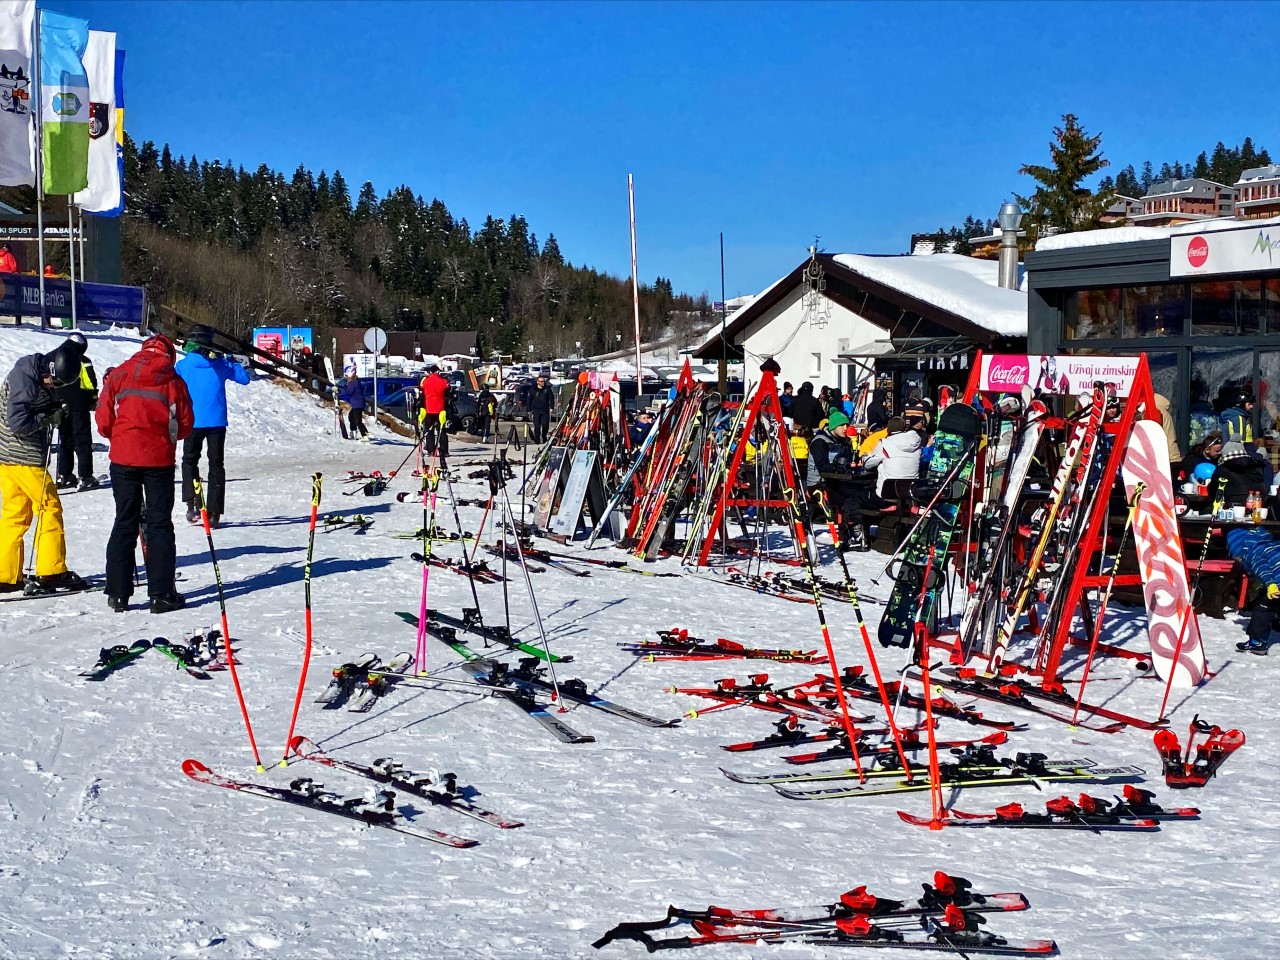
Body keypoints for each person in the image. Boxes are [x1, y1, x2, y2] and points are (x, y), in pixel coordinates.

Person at [96, 335, 193, 614]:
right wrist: (169, 436)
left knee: (124, 521)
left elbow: (103, 419)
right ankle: (161, 593)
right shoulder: (173, 380)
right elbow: (186, 423)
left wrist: (118, 436)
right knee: (159, 523)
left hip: (123, 459)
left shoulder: (119, 375)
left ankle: (117, 592)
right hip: (158, 459)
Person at [0, 343, 87, 593]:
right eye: (52, 381)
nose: (52, 385)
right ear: (47, 368)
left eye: (57, 384)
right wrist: (47, 419)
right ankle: (51, 570)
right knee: (49, 507)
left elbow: (31, 407)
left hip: (8, 457)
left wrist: (51, 409)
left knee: (15, 513)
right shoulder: (25, 380)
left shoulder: (32, 373)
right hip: (23, 457)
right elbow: (18, 422)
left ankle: (5, 574)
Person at [176, 330, 251, 526]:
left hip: (192, 421)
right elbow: (244, 378)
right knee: (216, 465)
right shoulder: (220, 364)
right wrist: (231, 360)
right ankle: (214, 511)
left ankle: (192, 504)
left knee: (189, 461)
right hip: (216, 422)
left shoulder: (183, 365)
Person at [54, 332, 98, 491]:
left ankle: (64, 474)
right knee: (82, 441)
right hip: (79, 405)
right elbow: (90, 383)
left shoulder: (56, 358)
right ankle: (85, 476)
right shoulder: (83, 361)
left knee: (65, 440)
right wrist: (93, 398)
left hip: (60, 405)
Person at [863, 416, 923, 498]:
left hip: (887, 495)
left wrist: (864, 457)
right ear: (904, 428)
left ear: (888, 430)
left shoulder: (885, 444)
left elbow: (867, 464)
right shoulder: (916, 443)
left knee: (853, 501)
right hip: (910, 495)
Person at [340, 370, 369, 441]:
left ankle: (365, 435)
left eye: (347, 376)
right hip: (357, 404)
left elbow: (348, 392)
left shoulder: (353, 383)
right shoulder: (355, 382)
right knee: (351, 417)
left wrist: (338, 392)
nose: (346, 378)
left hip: (358, 404)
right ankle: (354, 431)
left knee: (357, 421)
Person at [527, 374, 556, 444]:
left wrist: (552, 407)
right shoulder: (533, 390)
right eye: (541, 381)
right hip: (536, 410)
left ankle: (544, 436)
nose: (543, 382)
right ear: (538, 382)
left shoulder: (547, 389)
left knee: (545, 425)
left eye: (543, 381)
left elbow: (551, 398)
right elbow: (529, 400)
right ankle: (537, 439)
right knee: (537, 425)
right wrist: (528, 410)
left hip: (545, 410)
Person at [1154, 393, 1183, 465]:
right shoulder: (1160, 410)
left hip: (1162, 459)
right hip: (1169, 457)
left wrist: (1174, 461)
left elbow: (1169, 438)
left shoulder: (1157, 411)